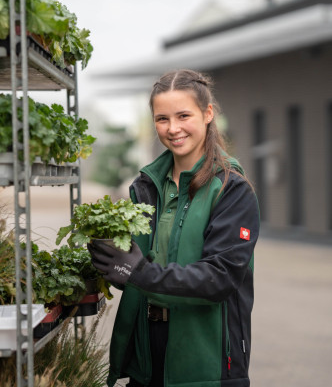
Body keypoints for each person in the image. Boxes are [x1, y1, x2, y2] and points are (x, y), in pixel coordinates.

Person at [88, 69, 259, 387]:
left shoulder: (231, 190)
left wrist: (137, 272)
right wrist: (108, 261)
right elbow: (140, 268)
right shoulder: (147, 186)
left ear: (208, 114)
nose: (173, 128)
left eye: (183, 115)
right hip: (147, 354)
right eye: (162, 119)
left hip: (204, 360)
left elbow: (219, 279)